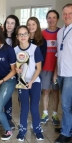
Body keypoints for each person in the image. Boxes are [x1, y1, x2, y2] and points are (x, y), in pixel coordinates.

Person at [14, 25, 44, 141]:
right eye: (20, 34)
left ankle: (37, 129)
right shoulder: (14, 50)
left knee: (34, 107)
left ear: (29, 35)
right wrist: (17, 70)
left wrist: (31, 81)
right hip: (22, 82)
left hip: (34, 81)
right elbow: (14, 68)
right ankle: (22, 130)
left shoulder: (35, 49)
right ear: (17, 37)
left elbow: (39, 68)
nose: (23, 36)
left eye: (25, 34)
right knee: (24, 107)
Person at [0, 15, 20, 130]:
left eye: (12, 23)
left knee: (8, 96)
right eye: (7, 22)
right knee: (0, 96)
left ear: (15, 25)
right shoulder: (0, 36)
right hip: (0, 71)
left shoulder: (17, 39)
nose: (9, 25)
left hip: (14, 72)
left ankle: (8, 118)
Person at [54, 3, 72, 143]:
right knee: (66, 104)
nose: (67, 16)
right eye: (65, 13)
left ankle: (66, 133)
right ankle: (68, 126)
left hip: (70, 74)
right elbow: (58, 54)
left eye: (70, 13)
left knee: (66, 104)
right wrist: (55, 72)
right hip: (60, 73)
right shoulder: (60, 32)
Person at [40, 10, 60, 126]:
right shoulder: (42, 34)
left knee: (56, 92)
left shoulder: (61, 33)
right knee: (46, 91)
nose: (51, 20)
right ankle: (45, 113)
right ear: (46, 19)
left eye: (54, 17)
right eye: (49, 17)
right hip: (45, 68)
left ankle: (55, 114)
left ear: (57, 19)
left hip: (58, 68)